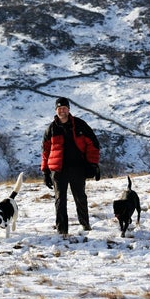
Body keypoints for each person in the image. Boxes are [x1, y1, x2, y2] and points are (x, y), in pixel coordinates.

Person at [41, 97, 101, 237]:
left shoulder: (80, 125)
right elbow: (45, 152)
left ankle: (85, 225)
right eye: (59, 108)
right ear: (56, 110)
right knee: (60, 200)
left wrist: (93, 164)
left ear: (69, 109)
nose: (62, 111)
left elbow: (93, 145)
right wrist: (45, 172)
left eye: (64, 108)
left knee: (80, 197)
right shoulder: (51, 129)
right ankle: (62, 231)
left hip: (77, 168)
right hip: (58, 170)